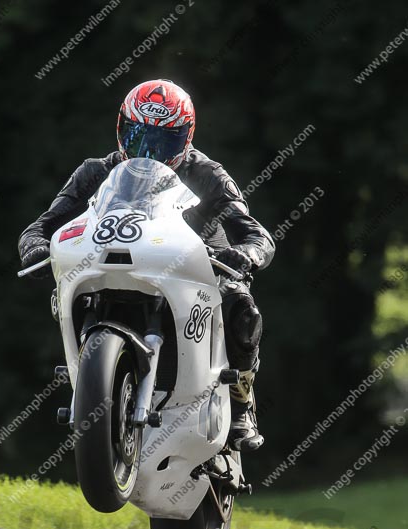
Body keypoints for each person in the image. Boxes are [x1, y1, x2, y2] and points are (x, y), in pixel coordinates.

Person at [18, 79, 275, 451]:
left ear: (186, 139)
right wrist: (36, 247)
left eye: (163, 141)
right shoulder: (94, 171)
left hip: (191, 257)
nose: (148, 151)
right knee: (62, 292)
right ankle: (91, 380)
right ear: (121, 129)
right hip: (116, 258)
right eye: (137, 137)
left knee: (241, 304)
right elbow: (41, 225)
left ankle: (241, 402)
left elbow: (257, 234)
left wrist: (247, 254)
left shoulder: (209, 174)